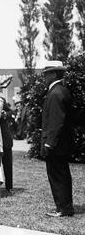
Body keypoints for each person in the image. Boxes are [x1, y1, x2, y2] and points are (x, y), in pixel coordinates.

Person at [40, 61, 74, 217]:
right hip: (62, 143)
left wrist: (49, 143)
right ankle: (64, 207)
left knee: (58, 176)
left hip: (56, 144)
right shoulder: (62, 90)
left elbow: (56, 121)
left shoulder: (55, 93)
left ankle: (63, 208)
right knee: (62, 175)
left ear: (53, 74)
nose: (44, 77)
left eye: (46, 74)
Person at [0, 98, 14, 193]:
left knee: (7, 163)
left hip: (5, 136)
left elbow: (10, 112)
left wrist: (5, 114)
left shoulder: (1, 100)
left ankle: (9, 186)